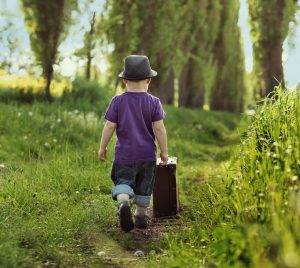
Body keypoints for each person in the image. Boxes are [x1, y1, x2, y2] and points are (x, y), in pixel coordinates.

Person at [98, 55, 168, 232]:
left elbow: (109, 125)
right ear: (148, 80)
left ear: (125, 81)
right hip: (147, 156)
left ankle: (123, 202)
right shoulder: (154, 102)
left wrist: (102, 146)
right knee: (145, 185)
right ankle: (140, 215)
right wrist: (164, 152)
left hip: (125, 156)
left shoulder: (118, 101)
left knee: (123, 181)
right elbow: (159, 128)